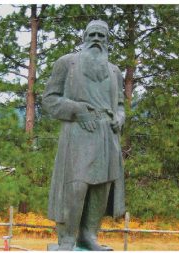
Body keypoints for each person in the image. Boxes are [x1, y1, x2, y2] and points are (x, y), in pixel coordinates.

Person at [42, 20, 126, 251]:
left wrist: (120, 117)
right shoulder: (66, 64)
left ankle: (89, 236)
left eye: (102, 35)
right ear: (84, 37)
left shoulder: (114, 71)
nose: (97, 39)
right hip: (78, 134)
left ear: (107, 40)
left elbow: (120, 104)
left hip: (107, 136)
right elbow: (49, 100)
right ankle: (67, 238)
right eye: (93, 35)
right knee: (76, 187)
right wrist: (77, 111)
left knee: (101, 189)